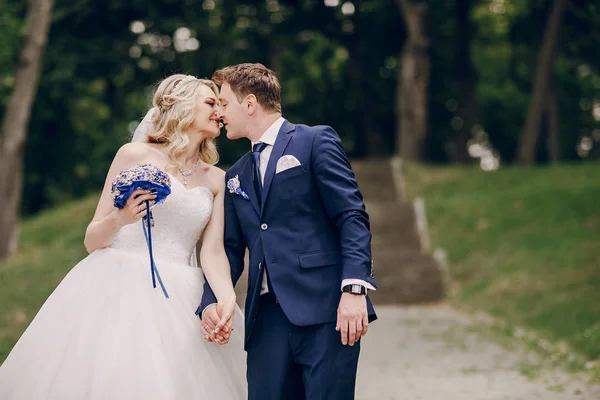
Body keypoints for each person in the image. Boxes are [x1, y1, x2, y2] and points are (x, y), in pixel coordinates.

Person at [0, 74, 246, 399]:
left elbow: (212, 253)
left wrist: (226, 300)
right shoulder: (134, 155)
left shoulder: (217, 179)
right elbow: (92, 240)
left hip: (182, 295)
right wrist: (121, 218)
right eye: (210, 102)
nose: (219, 110)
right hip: (116, 286)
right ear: (183, 107)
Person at [197, 63, 377, 400]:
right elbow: (231, 249)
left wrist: (354, 290)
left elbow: (351, 216)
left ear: (249, 103)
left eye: (223, 103)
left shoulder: (314, 140)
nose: (219, 113)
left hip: (328, 312)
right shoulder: (235, 175)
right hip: (266, 322)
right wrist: (211, 301)